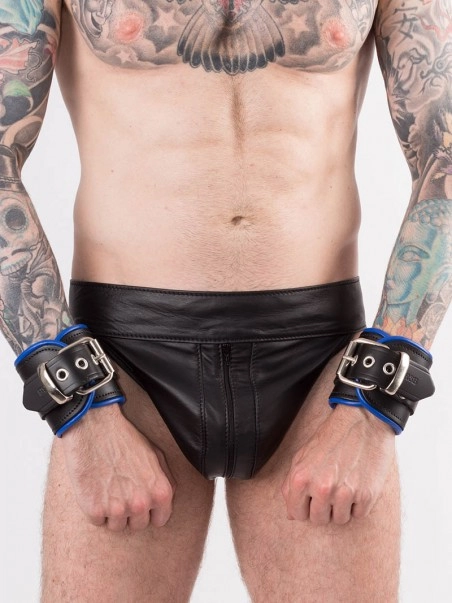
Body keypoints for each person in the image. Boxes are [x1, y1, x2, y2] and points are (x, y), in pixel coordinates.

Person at [0, 0, 450, 601]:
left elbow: (445, 158)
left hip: (322, 366)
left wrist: (379, 402)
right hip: (120, 365)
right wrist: (77, 405)